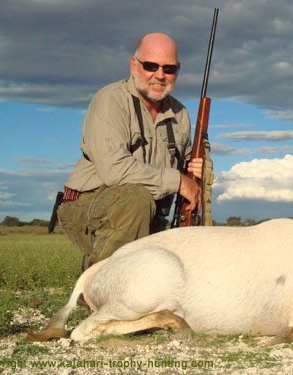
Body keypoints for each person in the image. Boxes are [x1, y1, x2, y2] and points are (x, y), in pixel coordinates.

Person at [57, 33, 202, 270]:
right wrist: (178, 181)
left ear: (178, 70)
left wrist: (198, 172)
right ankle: (99, 286)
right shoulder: (110, 100)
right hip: (88, 206)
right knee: (135, 199)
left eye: (169, 68)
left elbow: (188, 168)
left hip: (150, 215)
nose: (160, 75)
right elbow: (115, 170)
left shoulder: (180, 113)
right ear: (134, 64)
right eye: (150, 66)